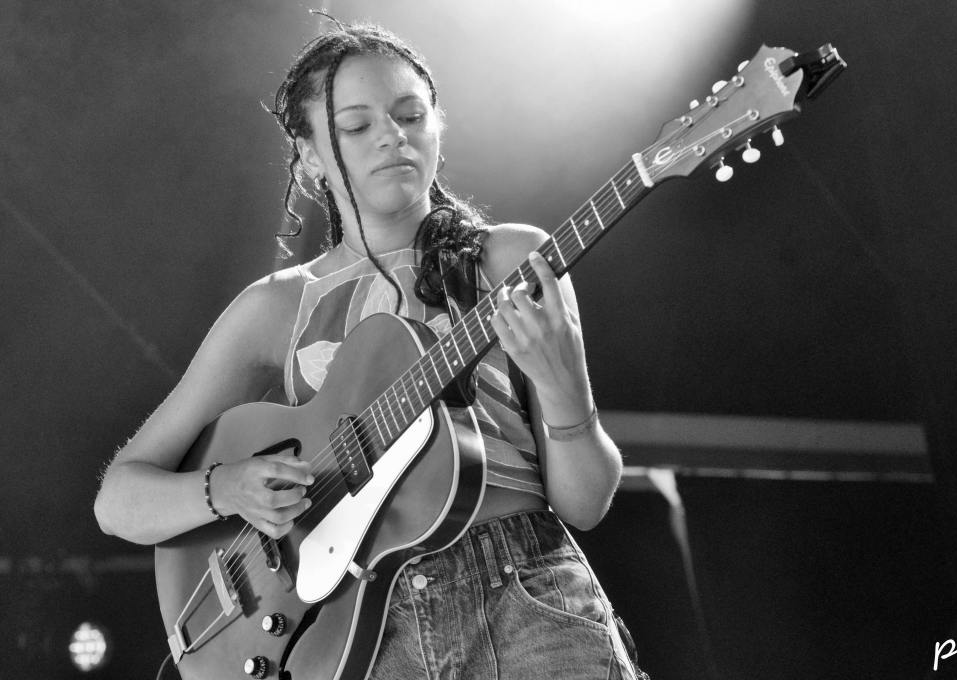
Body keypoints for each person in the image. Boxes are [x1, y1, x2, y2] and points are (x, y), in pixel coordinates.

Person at [94, 19, 644, 680]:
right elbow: (119, 500)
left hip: (529, 599)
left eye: (410, 116)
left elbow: (586, 504)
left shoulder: (512, 261)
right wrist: (228, 488)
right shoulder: (275, 309)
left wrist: (562, 391)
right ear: (310, 157)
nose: (392, 136)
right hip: (360, 632)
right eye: (356, 126)